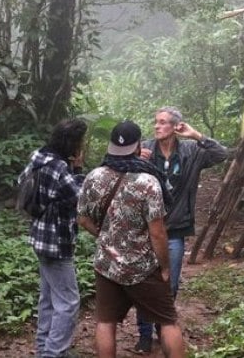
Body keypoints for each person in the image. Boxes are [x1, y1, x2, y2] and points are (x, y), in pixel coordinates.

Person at [77, 121, 185, 358]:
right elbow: (157, 232)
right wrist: (165, 266)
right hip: (142, 266)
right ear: (138, 146)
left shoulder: (94, 176)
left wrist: (105, 235)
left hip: (106, 264)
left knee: (106, 322)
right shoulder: (147, 182)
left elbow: (83, 219)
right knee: (168, 321)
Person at [133, 106, 230, 354]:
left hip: (175, 229)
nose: (156, 126)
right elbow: (120, 172)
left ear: (176, 126)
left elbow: (222, 154)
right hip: (145, 227)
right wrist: (134, 159)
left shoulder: (190, 151)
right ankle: (144, 333)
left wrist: (196, 135)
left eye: (163, 122)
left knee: (170, 284)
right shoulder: (145, 149)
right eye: (155, 122)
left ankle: (160, 325)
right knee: (145, 281)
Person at [21, 118, 88, 358]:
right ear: (71, 142)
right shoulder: (58, 167)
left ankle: (44, 349)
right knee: (68, 303)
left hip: (39, 236)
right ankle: (53, 353)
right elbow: (81, 197)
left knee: (49, 298)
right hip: (56, 242)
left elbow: (23, 183)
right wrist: (78, 169)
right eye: (80, 141)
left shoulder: (38, 157)